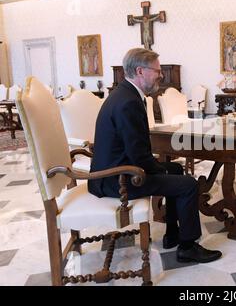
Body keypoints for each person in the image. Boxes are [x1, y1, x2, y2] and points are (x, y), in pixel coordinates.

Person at [88, 48, 222, 263]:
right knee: (188, 184)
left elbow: (136, 151)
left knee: (176, 169)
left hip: (116, 170)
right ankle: (188, 247)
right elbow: (138, 155)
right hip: (117, 179)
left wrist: (162, 168)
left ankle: (172, 234)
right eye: (157, 71)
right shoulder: (128, 102)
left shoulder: (125, 94)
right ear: (140, 71)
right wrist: (159, 169)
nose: (161, 75)